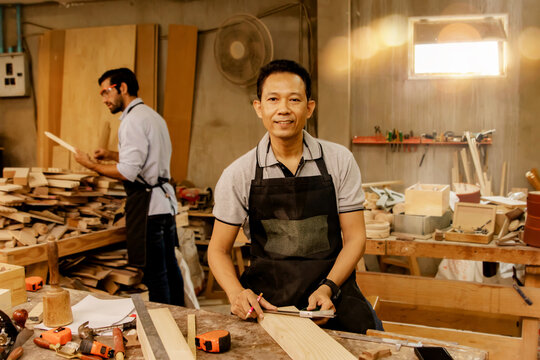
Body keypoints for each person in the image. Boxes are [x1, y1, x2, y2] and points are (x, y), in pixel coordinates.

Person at [208, 59, 382, 333]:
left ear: (309, 107)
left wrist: (328, 287)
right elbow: (217, 250)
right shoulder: (239, 174)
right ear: (259, 107)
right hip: (268, 304)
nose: (283, 110)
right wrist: (236, 294)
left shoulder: (339, 161)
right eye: (273, 99)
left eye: (294, 100)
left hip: (333, 290)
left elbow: (356, 237)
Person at [74, 68, 184, 306]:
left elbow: (128, 171)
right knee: (170, 267)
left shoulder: (132, 121)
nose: (104, 99)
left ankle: (164, 324)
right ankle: (182, 317)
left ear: (122, 88)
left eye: (106, 92)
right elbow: (146, 157)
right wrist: (111, 154)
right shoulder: (152, 117)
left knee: (156, 274)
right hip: (164, 203)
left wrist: (91, 165)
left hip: (148, 207)